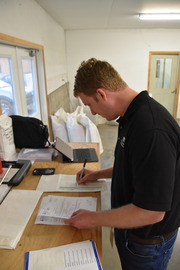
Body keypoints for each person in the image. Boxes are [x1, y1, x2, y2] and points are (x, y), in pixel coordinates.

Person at [64, 58, 180, 270]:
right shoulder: (131, 116)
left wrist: (95, 218)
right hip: (131, 233)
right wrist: (97, 174)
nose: (93, 113)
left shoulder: (151, 129)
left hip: (148, 245)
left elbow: (152, 211)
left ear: (101, 94)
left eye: (89, 104)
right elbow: (137, 169)